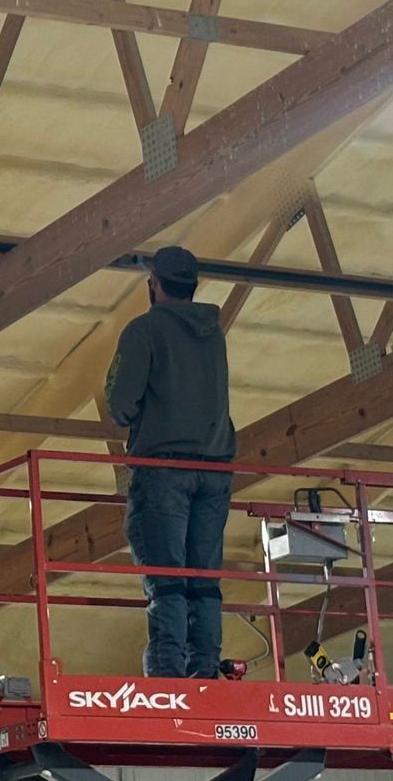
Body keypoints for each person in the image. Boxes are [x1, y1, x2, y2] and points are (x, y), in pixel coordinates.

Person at [107, 245, 236, 680]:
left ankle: (166, 675)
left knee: (167, 577)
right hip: (216, 469)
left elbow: (120, 404)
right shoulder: (213, 334)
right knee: (204, 579)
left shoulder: (143, 331)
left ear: (153, 285)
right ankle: (204, 671)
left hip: (163, 471)